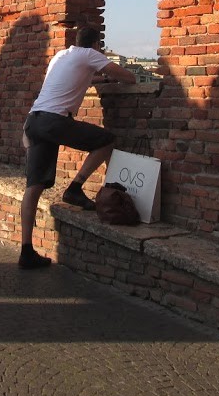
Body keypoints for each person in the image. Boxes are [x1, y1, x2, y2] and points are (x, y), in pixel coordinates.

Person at [19, 26, 136, 269]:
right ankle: (75, 187)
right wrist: (116, 75)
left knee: (34, 186)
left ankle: (26, 250)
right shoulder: (90, 54)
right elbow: (127, 77)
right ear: (95, 43)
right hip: (54, 120)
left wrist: (98, 78)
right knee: (107, 140)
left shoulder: (61, 56)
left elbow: (74, 77)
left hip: (33, 121)